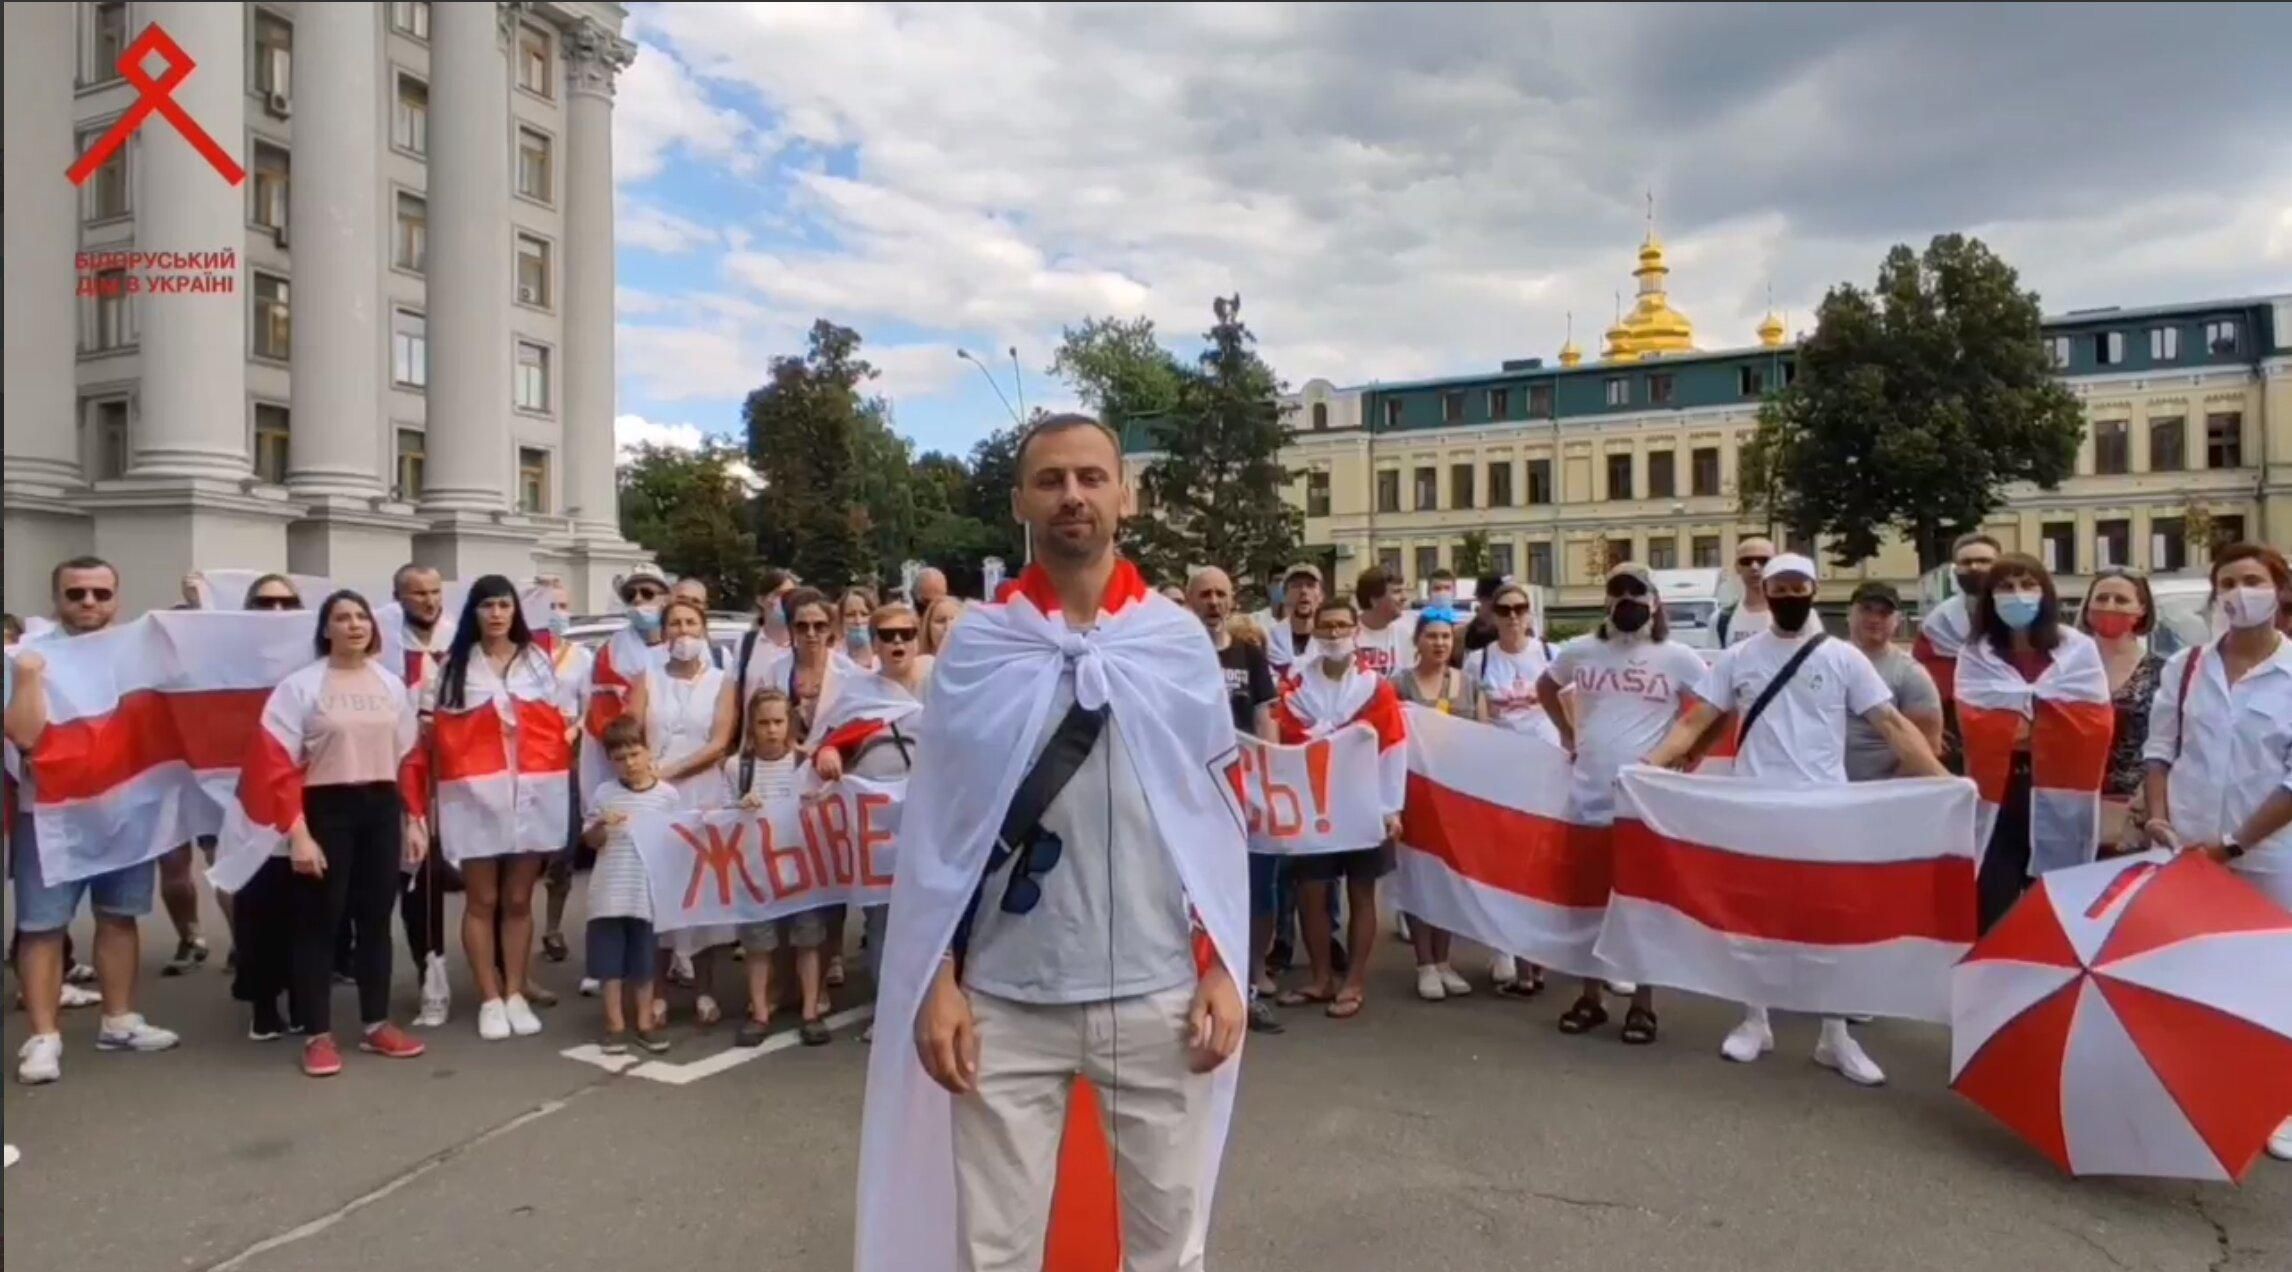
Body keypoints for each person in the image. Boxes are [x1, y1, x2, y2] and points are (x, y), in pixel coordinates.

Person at [858, 412, 1246, 1272]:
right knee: (996, 1253)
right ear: (1020, 502)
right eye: (1051, 481)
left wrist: (1221, 961)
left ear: (1126, 495)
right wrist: (939, 980)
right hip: (1006, 997)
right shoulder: (980, 649)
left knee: (1168, 1247)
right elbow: (940, 831)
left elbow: (1215, 815)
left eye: (1091, 477)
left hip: (1158, 992)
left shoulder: (1176, 643)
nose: (1073, 496)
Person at [1645, 553, 1947, 1087]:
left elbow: (1893, 724)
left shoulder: (1843, 658)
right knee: (1755, 919)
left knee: (1829, 922)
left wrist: (1943, 780)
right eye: (1778, 586)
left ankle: (1835, 1035)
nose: (1787, 595)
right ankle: (1754, 1020)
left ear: (1813, 589)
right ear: (1768, 589)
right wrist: (1649, 766)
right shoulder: (1739, 657)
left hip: (1824, 809)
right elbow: (1697, 721)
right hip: (1755, 808)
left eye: (1796, 586)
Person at [2142, 543, 2292, 1164]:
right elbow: (2160, 748)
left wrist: (2234, 844)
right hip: (2186, 848)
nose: (2238, 592)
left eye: (2252, 580)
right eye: (2226, 581)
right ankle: (2196, 1088)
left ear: (2281, 590)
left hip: (2268, 855)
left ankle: (2278, 1102)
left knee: (2274, 978)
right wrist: (2157, 816)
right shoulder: (2187, 667)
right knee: (2188, 972)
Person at [244, 590, 430, 1076]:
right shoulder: (300, 687)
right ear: (325, 630)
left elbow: (409, 756)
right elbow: (277, 764)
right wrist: (298, 834)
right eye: (341, 618)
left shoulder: (390, 684)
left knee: (374, 921)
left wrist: (413, 819)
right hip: (325, 809)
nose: (353, 625)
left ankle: (375, 1025)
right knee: (318, 923)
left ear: (373, 627)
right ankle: (318, 1035)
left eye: (360, 617)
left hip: (380, 807)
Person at [10, 557, 181, 1084]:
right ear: (56, 597)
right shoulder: (26, 657)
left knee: (119, 917)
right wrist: (28, 679)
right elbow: (21, 735)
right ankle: (43, 1038)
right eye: (76, 593)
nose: (89, 603)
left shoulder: (136, 653)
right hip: (51, 815)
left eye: (100, 594)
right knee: (42, 928)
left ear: (116, 598)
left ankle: (119, 1019)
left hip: (125, 809)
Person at [1539, 563, 1708, 1043]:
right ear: (1606, 601)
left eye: (1638, 591)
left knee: (1642, 905)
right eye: (1619, 591)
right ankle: (1590, 996)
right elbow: (1546, 687)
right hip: (1589, 794)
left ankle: (1643, 1004)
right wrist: (1568, 731)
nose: (1628, 599)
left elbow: (1718, 706)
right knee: (1589, 902)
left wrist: (1690, 752)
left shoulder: (1678, 657)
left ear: (1655, 601)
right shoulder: (1581, 651)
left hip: (1645, 801)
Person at [424, 575, 580, 1041]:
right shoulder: (453, 666)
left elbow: (563, 719)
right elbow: (440, 733)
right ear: (473, 612)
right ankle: (489, 997)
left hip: (533, 791)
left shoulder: (539, 661)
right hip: (476, 795)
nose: (496, 614)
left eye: (504, 605)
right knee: (482, 900)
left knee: (517, 899)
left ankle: (515, 991)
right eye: (487, 605)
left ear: (516, 611)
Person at [1956, 555, 2112, 931]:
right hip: (1999, 793)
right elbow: (1972, 720)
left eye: (2028, 585)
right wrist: (2041, 719)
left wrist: (2022, 720)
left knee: (2058, 905)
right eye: (2006, 587)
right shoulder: (1977, 653)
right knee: (1991, 902)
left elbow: (2095, 721)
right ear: (1990, 598)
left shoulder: (2077, 649)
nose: (2018, 595)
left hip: (2060, 789)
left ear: (2045, 593)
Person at [1272, 598, 1408, 1021]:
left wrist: (1391, 807)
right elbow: (1290, 736)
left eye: (1341, 626)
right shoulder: (1296, 685)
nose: (1333, 634)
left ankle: (1354, 981)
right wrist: (1340, 737)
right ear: (1313, 632)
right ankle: (1321, 978)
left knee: (1361, 893)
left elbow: (1392, 746)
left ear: (1355, 632)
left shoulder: (1375, 687)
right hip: (1315, 806)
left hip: (1365, 803)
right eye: (1325, 627)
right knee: (1311, 894)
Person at [812, 600, 932, 1019]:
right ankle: (892, 1013)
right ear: (875, 645)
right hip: (877, 824)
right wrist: (828, 752)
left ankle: (933, 1008)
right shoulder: (859, 693)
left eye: (906, 634)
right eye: (888, 636)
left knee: (932, 917)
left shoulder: (943, 683)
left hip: (929, 820)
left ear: (917, 639)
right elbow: (830, 740)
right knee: (882, 919)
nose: (898, 642)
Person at [632, 597, 737, 1026]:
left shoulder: (722, 681)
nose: (683, 631)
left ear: (704, 630)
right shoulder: (647, 678)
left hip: (703, 794)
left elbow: (719, 741)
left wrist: (670, 771)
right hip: (654, 799)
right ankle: (656, 992)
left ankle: (706, 990)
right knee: (659, 895)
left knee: (704, 892)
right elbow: (629, 730)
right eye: (674, 623)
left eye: (692, 623)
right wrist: (645, 775)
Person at [1189, 567, 1285, 1034]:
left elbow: (1267, 719)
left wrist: (1271, 775)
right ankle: (1199, 986)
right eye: (1204, 594)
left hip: (1245, 792)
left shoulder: (1249, 655)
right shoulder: (1177, 654)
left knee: (1256, 892)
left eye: (1221, 594)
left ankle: (1249, 981)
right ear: (1190, 601)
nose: (1213, 601)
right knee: (1194, 896)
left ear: (1232, 601)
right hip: (1190, 796)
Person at [1464, 579, 1560, 994]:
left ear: (1530, 613)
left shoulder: (1552, 656)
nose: (1513, 617)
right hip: (1500, 776)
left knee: (1541, 866)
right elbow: (1472, 719)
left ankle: (1538, 951)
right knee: (1501, 865)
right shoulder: (1478, 661)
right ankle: (1502, 946)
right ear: (1492, 616)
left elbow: (1570, 710)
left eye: (1520, 609)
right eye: (1504, 610)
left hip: (1545, 772)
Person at [729, 689, 828, 1047]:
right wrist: (740, 808)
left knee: (808, 943)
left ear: (789, 723)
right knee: (758, 947)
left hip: (802, 872)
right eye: (763, 723)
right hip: (756, 874)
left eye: (777, 722)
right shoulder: (737, 768)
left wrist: (816, 804)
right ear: (751, 727)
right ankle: (760, 1012)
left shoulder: (805, 763)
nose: (771, 730)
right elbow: (720, 821)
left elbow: (831, 810)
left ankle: (811, 1011)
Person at [1390, 606, 1478, 1002]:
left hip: (1456, 795)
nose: (1440, 643)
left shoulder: (1469, 684)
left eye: (1445, 637)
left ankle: (1444, 960)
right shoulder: (1398, 685)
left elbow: (1485, 735)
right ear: (1418, 641)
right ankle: (1424, 962)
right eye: (1432, 636)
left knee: (1448, 879)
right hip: (1413, 794)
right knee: (1417, 877)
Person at [579, 715, 675, 1056]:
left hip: (646, 894)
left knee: (644, 964)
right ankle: (615, 1024)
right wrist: (602, 825)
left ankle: (645, 1022)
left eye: (635, 754)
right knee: (610, 966)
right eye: (620, 758)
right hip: (608, 893)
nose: (629, 763)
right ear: (610, 762)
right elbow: (590, 841)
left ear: (649, 753)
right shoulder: (604, 794)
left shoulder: (666, 796)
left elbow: (677, 839)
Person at [389, 564, 457, 1027]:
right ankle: (429, 974)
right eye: (418, 594)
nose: (429, 602)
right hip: (399, 775)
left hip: (457, 775)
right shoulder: (383, 646)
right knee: (416, 882)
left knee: (487, 879)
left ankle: (502, 976)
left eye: (435, 592)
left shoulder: (460, 640)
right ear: (399, 598)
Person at [2077, 568, 2164, 853]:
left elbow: (2170, 742)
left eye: (2121, 600)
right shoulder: (2064, 667)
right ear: (2088, 607)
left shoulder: (2164, 672)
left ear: (2141, 609)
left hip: (2132, 813)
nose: (2109, 606)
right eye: (2101, 598)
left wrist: (2146, 804)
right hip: (2070, 806)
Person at [540, 581, 595, 966]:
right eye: (549, 606)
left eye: (562, 605)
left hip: (569, 757)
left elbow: (591, 706)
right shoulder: (523, 654)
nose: (556, 613)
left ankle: (552, 928)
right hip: (531, 762)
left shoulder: (581, 657)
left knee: (563, 850)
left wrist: (576, 728)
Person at [1913, 531, 2003, 761]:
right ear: (1956, 569)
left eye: (1984, 561)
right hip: (1955, 734)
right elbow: (1924, 684)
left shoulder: (2020, 614)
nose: (1974, 567)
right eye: (1966, 562)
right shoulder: (1938, 623)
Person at [1842, 582, 1945, 782]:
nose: (1874, 619)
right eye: (1866, 610)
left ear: (1897, 620)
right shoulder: (1824, 660)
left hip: (1882, 789)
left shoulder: (1910, 673)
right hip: (1825, 786)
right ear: (1849, 613)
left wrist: (1889, 791)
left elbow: (1930, 745)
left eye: (1884, 613)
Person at [1253, 562, 1325, 683]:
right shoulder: (1270, 639)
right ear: (1285, 595)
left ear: (1321, 596)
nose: (1303, 591)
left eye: (1310, 585)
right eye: (1296, 585)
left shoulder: (1330, 639)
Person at [1351, 567, 1416, 678]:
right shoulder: (1346, 631)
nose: (1404, 598)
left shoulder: (1404, 633)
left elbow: (1409, 680)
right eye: (1396, 592)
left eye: (1403, 591)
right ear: (1374, 600)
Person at [1713, 536, 1777, 647]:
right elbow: (1713, 660)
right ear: (1737, 567)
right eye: (1746, 561)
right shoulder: (1720, 619)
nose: (1754, 567)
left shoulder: (1799, 616)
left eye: (1763, 560)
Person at [838, 586, 881, 672]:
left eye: (864, 614)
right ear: (841, 619)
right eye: (850, 615)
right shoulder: (835, 662)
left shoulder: (885, 661)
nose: (858, 621)